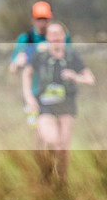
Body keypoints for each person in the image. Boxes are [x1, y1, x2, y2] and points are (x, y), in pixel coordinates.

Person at [22, 22, 94, 186]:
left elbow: (90, 79)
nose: (55, 37)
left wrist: (75, 76)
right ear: (47, 37)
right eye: (52, 34)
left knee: (63, 148)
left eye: (58, 34)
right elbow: (27, 74)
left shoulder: (72, 57)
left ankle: (61, 182)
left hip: (67, 107)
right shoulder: (40, 56)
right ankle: (46, 173)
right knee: (52, 140)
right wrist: (29, 97)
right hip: (45, 106)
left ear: (64, 36)